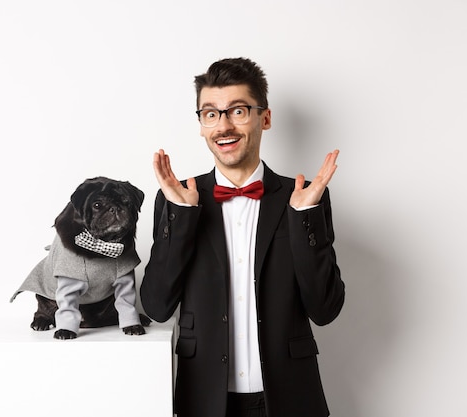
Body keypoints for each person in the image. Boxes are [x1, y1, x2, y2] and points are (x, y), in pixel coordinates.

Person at [140, 57, 345, 417]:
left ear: (264, 118)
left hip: (290, 400)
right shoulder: (177, 199)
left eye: (237, 111)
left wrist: (303, 217)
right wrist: (183, 215)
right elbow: (157, 307)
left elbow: (325, 309)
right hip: (203, 401)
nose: (223, 126)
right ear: (202, 125)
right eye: (211, 114)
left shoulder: (303, 198)